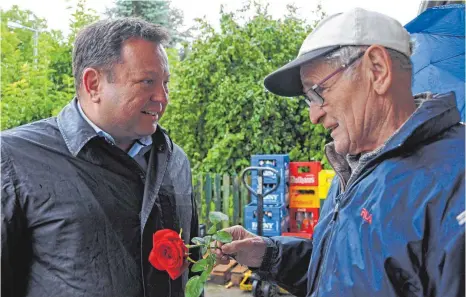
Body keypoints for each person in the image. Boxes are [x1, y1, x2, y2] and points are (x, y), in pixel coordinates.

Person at [215, 8, 465, 297]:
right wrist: (265, 254)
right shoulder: (354, 167)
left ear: (377, 69)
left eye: (318, 91)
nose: (313, 115)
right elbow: (341, 269)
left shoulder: (454, 181)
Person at [1, 18, 201, 297]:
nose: (162, 97)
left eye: (165, 83)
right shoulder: (13, 158)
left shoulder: (175, 159)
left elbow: (193, 274)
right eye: (147, 82)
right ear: (93, 83)